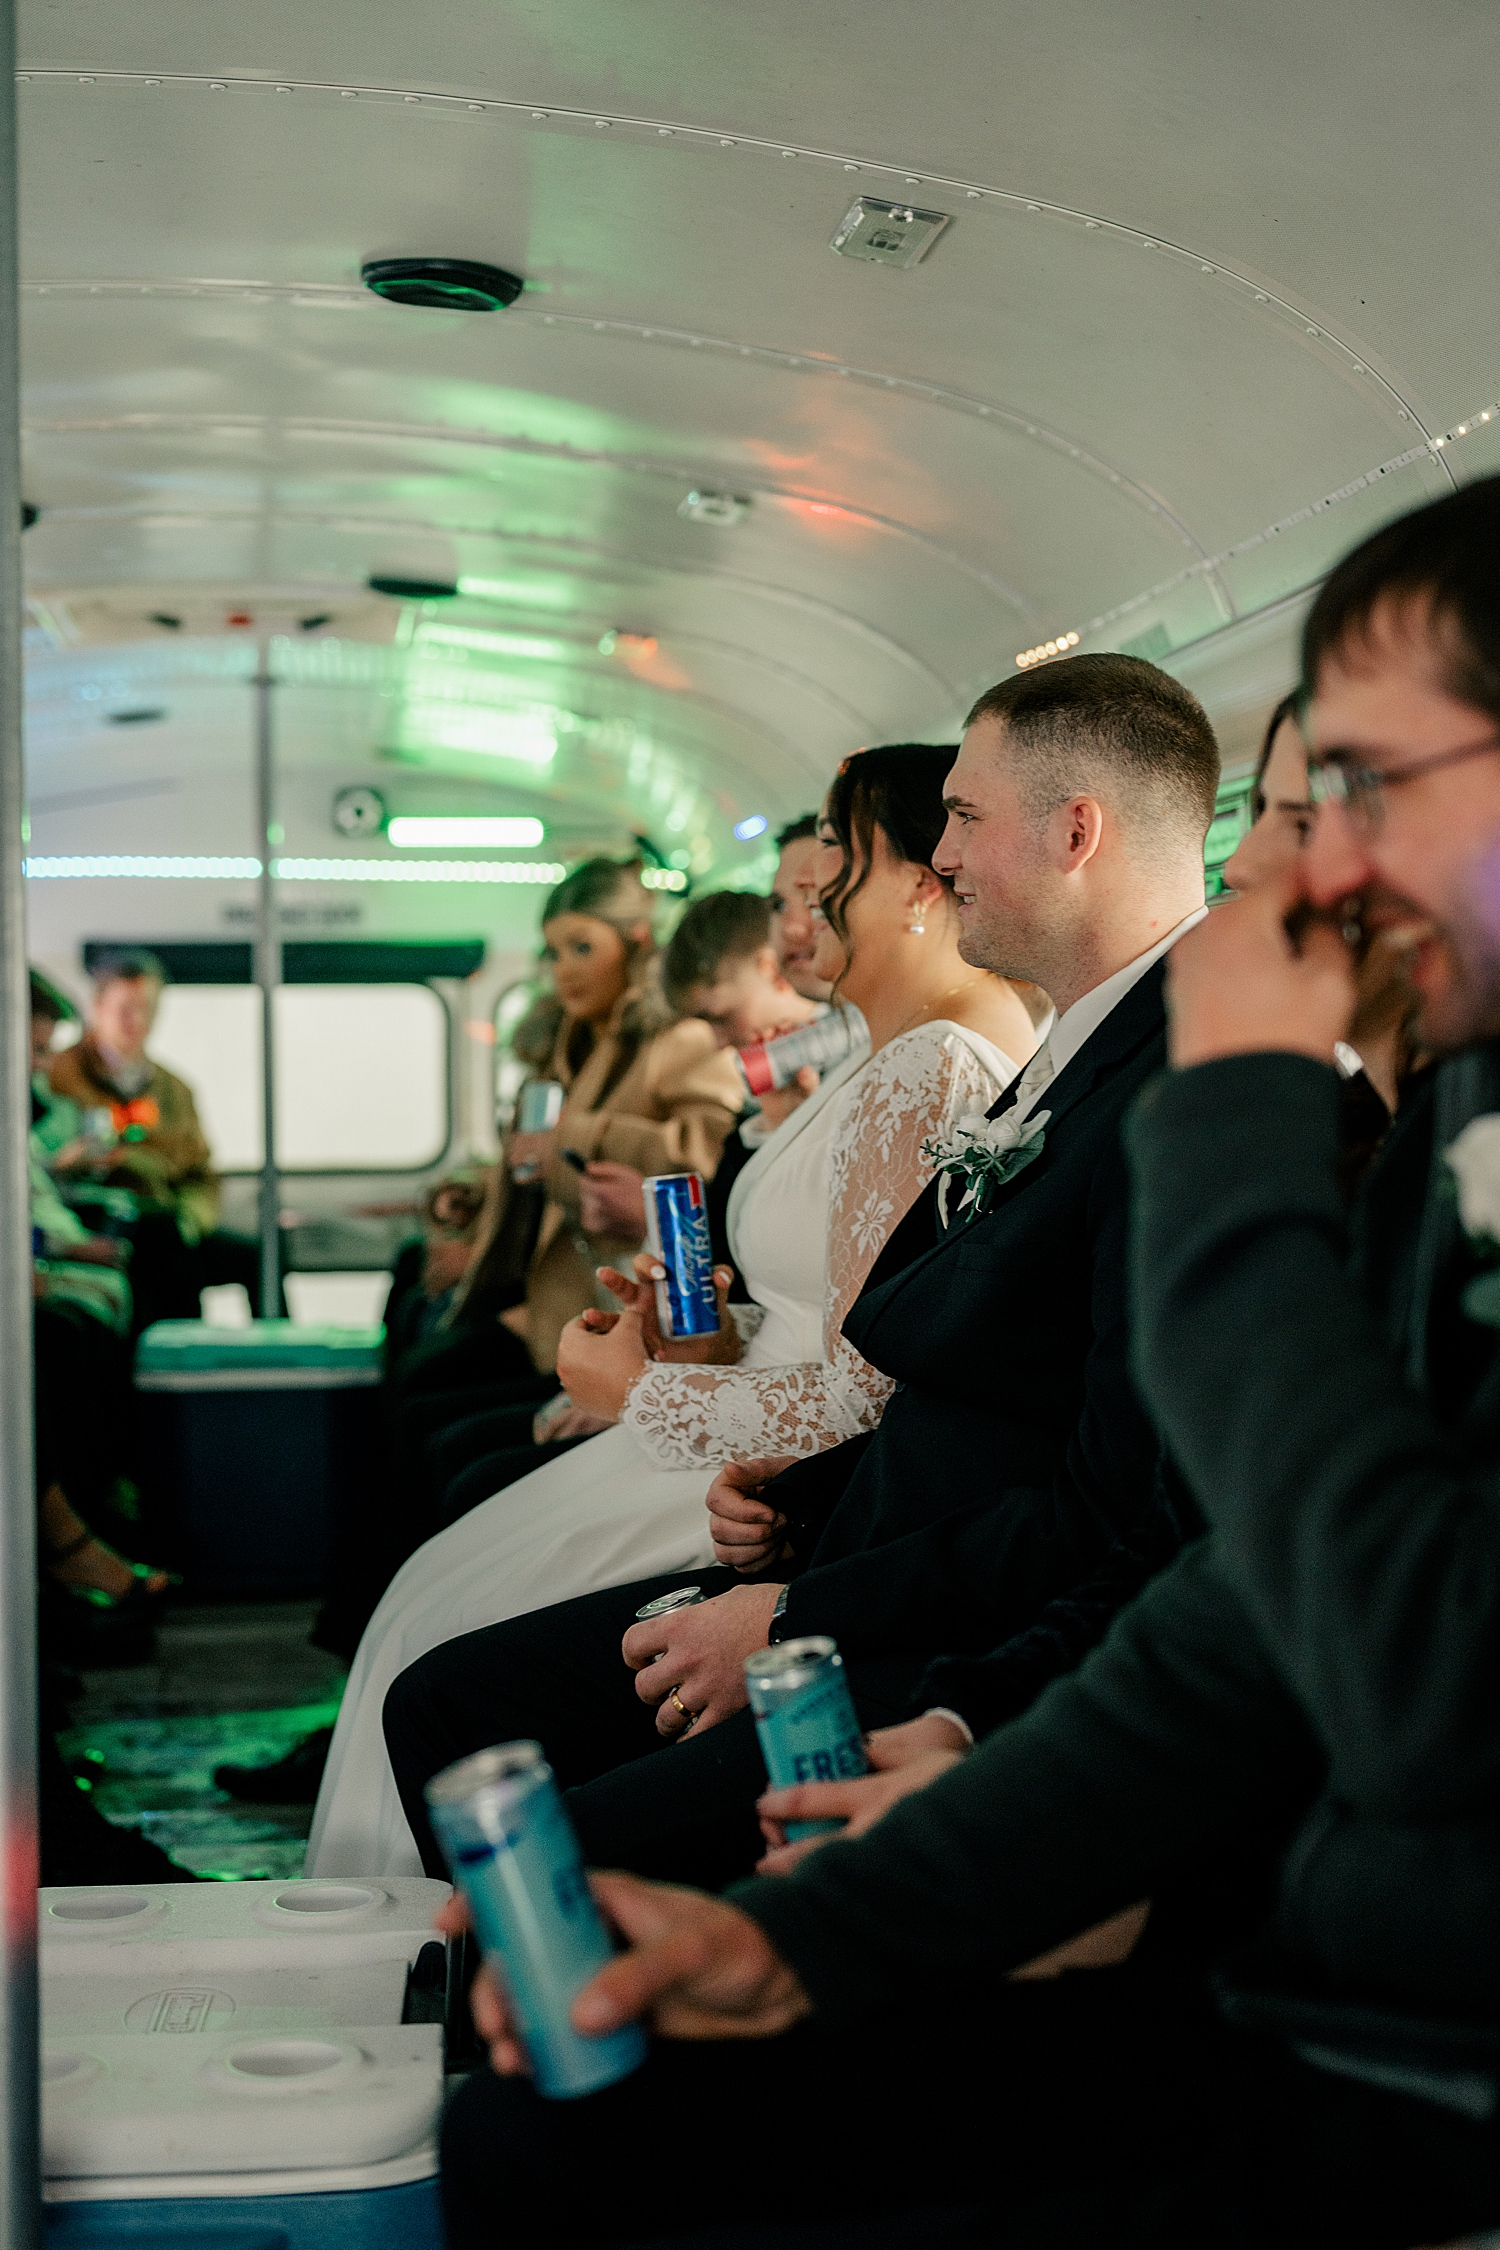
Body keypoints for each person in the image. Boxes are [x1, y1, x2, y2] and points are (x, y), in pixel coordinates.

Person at [440, 477, 1500, 2250]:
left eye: (1367, 794)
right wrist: (806, 1944)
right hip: (1305, 1972)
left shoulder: (1276, 1115)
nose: (1312, 870)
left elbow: (1412, 1683)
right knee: (553, 2121)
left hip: (1428, 2069)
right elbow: (1241, 1614)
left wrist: (1238, 1122)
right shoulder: (1465, 1106)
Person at [381, 654, 1217, 1892]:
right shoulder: (1067, 1060)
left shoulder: (1177, 1094)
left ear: (1078, 832)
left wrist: (790, 1615)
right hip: (840, 1541)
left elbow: (1097, 1504)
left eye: (966, 819)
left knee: (492, 1754)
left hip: (932, 1635)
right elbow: (937, 1363)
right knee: (442, 1697)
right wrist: (798, 1512)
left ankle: (576, 2031)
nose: (948, 855)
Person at [307, 744, 1035, 1876]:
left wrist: (642, 1392)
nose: (807, 908)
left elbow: (866, 1385)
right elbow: (829, 1319)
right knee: (425, 1596)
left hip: (760, 1481)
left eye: (834, 863)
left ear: (923, 886)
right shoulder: (881, 1062)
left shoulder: (933, 1065)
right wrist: (699, 1342)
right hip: (729, 1416)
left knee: (432, 1640)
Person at [46, 950, 261, 1328]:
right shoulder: (58, 1076)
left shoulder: (175, 1090)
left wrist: (193, 1218)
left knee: (254, 1255)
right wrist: (75, 1161)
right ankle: (172, 1368)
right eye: (125, 1008)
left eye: (148, 1008)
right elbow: (39, 1163)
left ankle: (274, 1363)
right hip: (93, 1218)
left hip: (169, 1220)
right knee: (160, 1246)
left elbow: (201, 1173)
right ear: (97, 1007)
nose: (138, 1021)